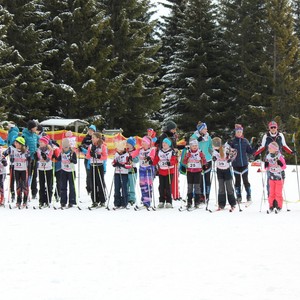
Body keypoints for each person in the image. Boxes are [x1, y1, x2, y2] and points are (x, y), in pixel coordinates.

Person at [254, 121, 293, 194]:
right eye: (271, 127)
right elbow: (262, 147)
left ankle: (278, 195)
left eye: (274, 127)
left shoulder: (280, 135)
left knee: (280, 177)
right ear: (269, 128)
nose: (273, 129)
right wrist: (255, 153)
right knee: (270, 177)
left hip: (279, 158)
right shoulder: (266, 135)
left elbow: (284, 145)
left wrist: (291, 152)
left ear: (277, 128)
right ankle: (270, 195)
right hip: (269, 158)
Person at [228, 124, 254, 205]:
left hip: (244, 164)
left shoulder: (245, 141)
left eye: (240, 132)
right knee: (237, 181)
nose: (239, 133)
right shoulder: (232, 141)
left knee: (245, 180)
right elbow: (228, 152)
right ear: (235, 132)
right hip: (236, 164)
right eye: (238, 132)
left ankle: (249, 195)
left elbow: (250, 151)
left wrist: (256, 146)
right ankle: (238, 196)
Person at [155, 120, 180, 200]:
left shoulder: (173, 135)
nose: (174, 130)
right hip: (165, 160)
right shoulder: (164, 136)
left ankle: (174, 194)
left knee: (173, 178)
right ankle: (165, 196)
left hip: (172, 159)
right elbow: (164, 147)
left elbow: (173, 146)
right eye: (173, 129)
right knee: (164, 181)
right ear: (169, 129)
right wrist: (173, 150)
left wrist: (177, 149)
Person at [212, 137, 237, 211]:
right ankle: (221, 204)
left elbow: (235, 152)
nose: (215, 147)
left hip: (227, 170)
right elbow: (214, 156)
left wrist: (231, 158)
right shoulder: (214, 151)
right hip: (219, 170)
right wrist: (214, 158)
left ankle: (233, 203)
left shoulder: (225, 148)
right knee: (221, 188)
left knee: (229, 187)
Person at [191, 121, 213, 202]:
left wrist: (213, 155)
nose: (206, 130)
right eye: (204, 129)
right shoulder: (194, 136)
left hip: (207, 159)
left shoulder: (208, 137)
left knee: (207, 178)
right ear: (200, 130)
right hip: (197, 160)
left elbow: (210, 147)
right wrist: (197, 140)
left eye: (206, 129)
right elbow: (191, 146)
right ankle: (200, 195)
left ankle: (207, 195)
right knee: (199, 179)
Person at [182, 138, 207, 208]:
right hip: (190, 171)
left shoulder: (199, 152)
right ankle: (189, 202)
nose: (195, 147)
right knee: (189, 187)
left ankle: (197, 202)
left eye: (196, 145)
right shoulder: (188, 152)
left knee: (197, 187)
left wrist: (204, 165)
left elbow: (204, 159)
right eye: (193, 145)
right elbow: (184, 161)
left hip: (197, 171)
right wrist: (186, 158)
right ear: (190, 146)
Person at [153, 138, 177, 208]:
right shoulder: (160, 151)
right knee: (161, 187)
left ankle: (169, 201)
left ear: (169, 144)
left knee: (168, 187)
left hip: (169, 171)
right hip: (161, 171)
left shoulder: (171, 152)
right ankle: (161, 201)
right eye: (163, 143)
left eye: (165, 143)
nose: (164, 144)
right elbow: (156, 159)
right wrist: (152, 162)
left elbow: (174, 160)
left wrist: (170, 162)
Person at [86, 132, 108, 208]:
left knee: (100, 183)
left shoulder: (102, 146)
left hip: (99, 166)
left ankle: (102, 200)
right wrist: (91, 153)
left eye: (93, 137)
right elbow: (87, 156)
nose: (92, 139)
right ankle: (94, 200)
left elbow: (105, 157)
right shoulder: (91, 146)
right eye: (92, 137)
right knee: (93, 184)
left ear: (98, 138)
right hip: (92, 165)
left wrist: (98, 156)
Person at [264, 142, 286, 212]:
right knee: (271, 193)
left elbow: (284, 167)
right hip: (271, 177)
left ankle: (279, 206)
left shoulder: (280, 156)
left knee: (278, 193)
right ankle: (271, 206)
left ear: (274, 149)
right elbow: (266, 168)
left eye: (270, 148)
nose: (269, 149)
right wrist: (266, 165)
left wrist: (281, 164)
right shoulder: (268, 156)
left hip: (279, 177)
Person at [11, 137, 31, 208]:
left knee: (24, 185)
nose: (15, 144)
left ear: (20, 144)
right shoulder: (14, 150)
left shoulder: (26, 151)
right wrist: (11, 159)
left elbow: (29, 160)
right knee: (18, 185)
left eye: (16, 143)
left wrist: (29, 169)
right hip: (16, 170)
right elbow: (11, 158)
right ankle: (18, 200)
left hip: (24, 170)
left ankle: (25, 200)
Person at [112, 140, 132, 209]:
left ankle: (124, 202)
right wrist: (115, 164)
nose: (119, 150)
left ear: (123, 148)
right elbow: (113, 162)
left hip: (124, 174)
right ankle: (117, 203)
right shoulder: (116, 154)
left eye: (120, 149)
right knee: (117, 188)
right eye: (118, 149)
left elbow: (129, 165)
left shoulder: (127, 155)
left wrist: (122, 165)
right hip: (117, 173)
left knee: (124, 188)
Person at [58, 138, 77, 208]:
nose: (65, 148)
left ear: (69, 146)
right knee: (63, 187)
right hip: (63, 171)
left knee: (72, 186)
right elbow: (58, 159)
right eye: (64, 147)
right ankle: (63, 201)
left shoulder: (72, 153)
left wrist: (72, 160)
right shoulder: (62, 153)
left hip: (71, 171)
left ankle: (72, 201)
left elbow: (75, 161)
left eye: (67, 147)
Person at [137, 136, 156, 208]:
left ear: (148, 143)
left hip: (149, 169)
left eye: (144, 142)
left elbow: (152, 156)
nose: (142, 143)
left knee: (148, 185)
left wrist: (150, 159)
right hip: (142, 169)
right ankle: (144, 200)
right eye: (142, 141)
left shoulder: (152, 149)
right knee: (142, 185)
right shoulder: (140, 150)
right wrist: (129, 157)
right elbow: (133, 154)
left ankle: (147, 202)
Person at [22, 120, 39, 199]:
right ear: (31, 128)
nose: (36, 128)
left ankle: (34, 191)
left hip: (34, 158)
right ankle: (25, 190)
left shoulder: (35, 135)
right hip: (27, 158)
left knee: (34, 175)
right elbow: (22, 147)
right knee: (26, 175)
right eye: (35, 127)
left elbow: (40, 142)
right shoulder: (24, 135)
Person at [36, 135, 53, 207]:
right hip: (41, 168)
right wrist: (40, 158)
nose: (40, 144)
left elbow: (49, 158)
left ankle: (48, 200)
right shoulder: (38, 150)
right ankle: (41, 200)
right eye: (40, 142)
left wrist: (45, 157)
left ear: (46, 143)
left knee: (49, 185)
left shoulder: (50, 149)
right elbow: (39, 157)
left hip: (48, 168)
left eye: (42, 142)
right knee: (41, 185)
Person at [78, 124, 96, 194]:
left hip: (94, 159)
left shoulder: (96, 138)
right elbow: (82, 146)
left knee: (93, 174)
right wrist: (81, 148)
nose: (90, 131)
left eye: (91, 130)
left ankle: (94, 187)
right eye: (89, 130)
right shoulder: (85, 138)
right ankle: (89, 188)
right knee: (88, 174)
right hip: (87, 158)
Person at [4, 122, 19, 201]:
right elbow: (4, 154)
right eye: (15, 143)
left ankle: (19, 193)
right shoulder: (11, 147)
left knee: (18, 180)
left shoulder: (13, 132)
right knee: (12, 180)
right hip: (12, 165)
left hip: (20, 167)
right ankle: (12, 193)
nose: (15, 144)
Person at [126, 137, 139, 206]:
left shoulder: (135, 151)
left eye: (128, 143)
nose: (127, 144)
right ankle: (127, 197)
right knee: (126, 184)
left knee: (132, 185)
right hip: (126, 170)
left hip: (133, 169)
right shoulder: (125, 150)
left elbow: (137, 160)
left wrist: (132, 158)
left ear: (132, 144)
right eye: (127, 143)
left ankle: (132, 198)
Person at [0, 138, 8, 206]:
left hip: (1, 172)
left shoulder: (1, 151)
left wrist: (4, 161)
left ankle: (2, 198)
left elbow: (5, 163)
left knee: (1, 185)